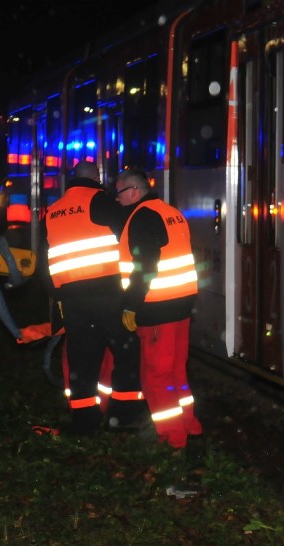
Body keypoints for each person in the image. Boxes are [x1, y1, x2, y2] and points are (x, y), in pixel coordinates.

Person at [43, 160, 146, 435]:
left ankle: (84, 423)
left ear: (71, 180)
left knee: (81, 362)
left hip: (73, 301)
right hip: (108, 296)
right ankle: (122, 417)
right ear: (97, 178)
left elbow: (48, 261)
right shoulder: (102, 203)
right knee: (126, 354)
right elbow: (130, 237)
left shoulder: (52, 211)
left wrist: (58, 298)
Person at [115, 168, 202, 450]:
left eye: (119, 193)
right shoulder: (170, 212)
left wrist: (130, 304)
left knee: (156, 376)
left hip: (157, 307)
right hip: (182, 303)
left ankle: (172, 438)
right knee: (177, 372)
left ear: (133, 192)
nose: (116, 200)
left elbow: (146, 265)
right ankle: (190, 426)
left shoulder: (142, 217)